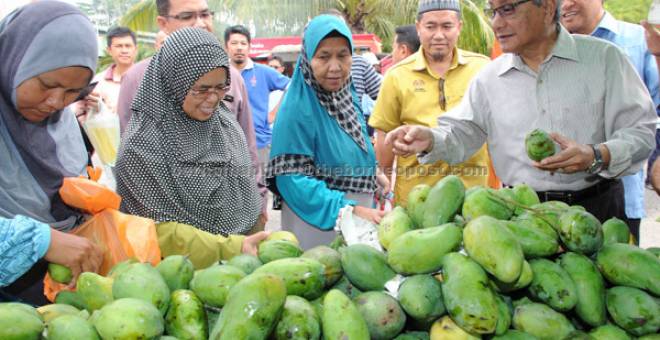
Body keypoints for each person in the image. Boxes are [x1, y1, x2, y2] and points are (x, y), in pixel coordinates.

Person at [385, 0, 657, 224]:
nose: (496, 23)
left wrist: (598, 155)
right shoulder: (489, 78)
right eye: (493, 12)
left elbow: (641, 133)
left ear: (548, 7)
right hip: (522, 215)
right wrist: (430, 138)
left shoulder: (604, 60)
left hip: (597, 210)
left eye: (508, 10)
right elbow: (462, 133)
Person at [115, 27, 268, 269]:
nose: (213, 99)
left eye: (221, 88)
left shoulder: (225, 125)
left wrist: (256, 219)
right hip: (180, 274)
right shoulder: (142, 146)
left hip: (246, 257)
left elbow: (246, 179)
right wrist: (229, 248)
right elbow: (156, 230)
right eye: (201, 90)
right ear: (174, 82)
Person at [0, 1, 103, 303]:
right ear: (12, 60)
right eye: (47, 84)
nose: (56, 102)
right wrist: (38, 241)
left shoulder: (64, 125)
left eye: (73, 92)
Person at [267, 14, 387, 249]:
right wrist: (347, 210)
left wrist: (372, 172)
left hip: (357, 219)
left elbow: (351, 142)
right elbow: (291, 178)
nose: (335, 67)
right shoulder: (298, 107)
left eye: (343, 55)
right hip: (317, 225)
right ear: (307, 58)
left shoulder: (346, 93)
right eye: (323, 57)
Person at [369, 0, 493, 207]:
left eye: (447, 26)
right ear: (418, 28)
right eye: (430, 26)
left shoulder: (482, 69)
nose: (438, 35)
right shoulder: (397, 76)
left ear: (459, 27)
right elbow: (385, 136)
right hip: (417, 199)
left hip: (473, 197)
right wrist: (385, 185)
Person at [561, 0, 659, 243]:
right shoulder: (546, 50)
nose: (566, 4)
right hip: (560, 209)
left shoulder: (638, 41)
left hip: (621, 200)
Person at [224, 25, 290, 165]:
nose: (239, 48)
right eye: (234, 43)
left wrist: (274, 113)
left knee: (261, 185)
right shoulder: (220, 73)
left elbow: (292, 86)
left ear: (249, 47)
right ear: (226, 47)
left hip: (260, 144)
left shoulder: (263, 72)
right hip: (228, 147)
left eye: (243, 43)